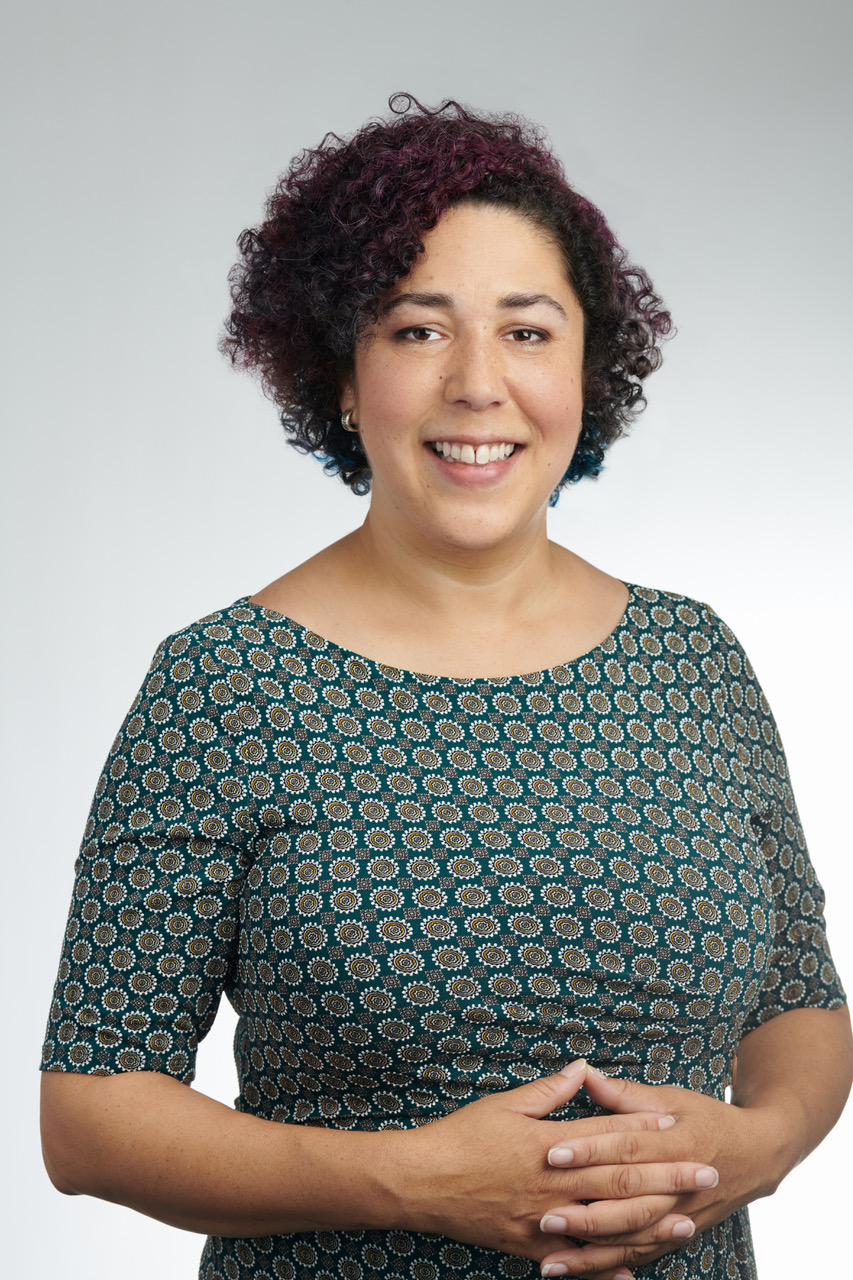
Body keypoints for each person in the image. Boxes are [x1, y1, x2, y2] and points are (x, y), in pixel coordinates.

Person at [40, 95, 851, 1280]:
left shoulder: (695, 662)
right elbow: (91, 1113)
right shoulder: (225, 686)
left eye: (527, 332)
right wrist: (413, 1179)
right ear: (340, 372)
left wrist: (761, 1143)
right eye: (419, 331)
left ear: (587, 368)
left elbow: (801, 1002)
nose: (478, 384)